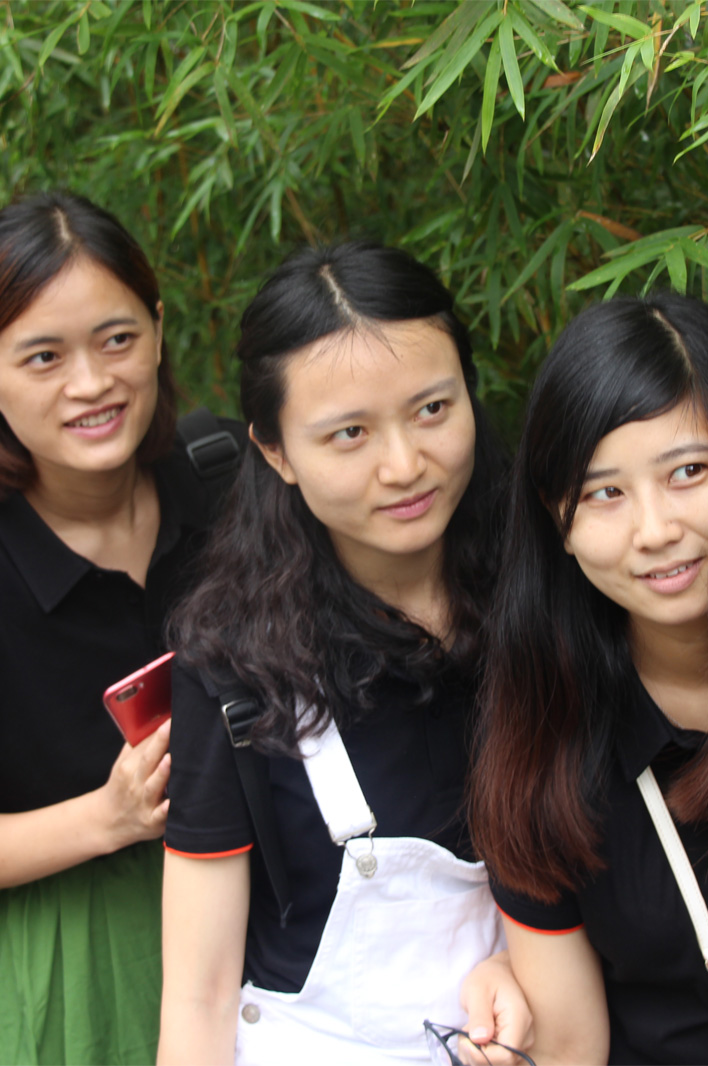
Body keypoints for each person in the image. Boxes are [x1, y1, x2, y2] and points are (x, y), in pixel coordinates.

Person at [0, 193, 221, 1064]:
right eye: (43, 356)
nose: (91, 383)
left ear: (158, 329)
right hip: (71, 961)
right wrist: (108, 817)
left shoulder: (223, 486)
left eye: (117, 339)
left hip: (256, 904)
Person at [157, 242, 525, 1066]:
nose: (405, 465)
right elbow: (198, 993)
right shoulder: (234, 668)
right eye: (349, 433)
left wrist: (521, 964)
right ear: (275, 451)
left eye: (432, 409)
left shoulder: (550, 598)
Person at [468, 293, 708, 1065]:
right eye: (605, 493)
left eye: (689, 471)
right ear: (556, 520)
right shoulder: (542, 745)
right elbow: (570, 1046)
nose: (655, 530)